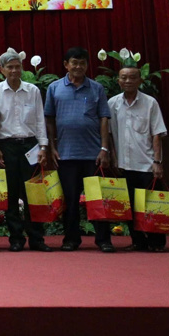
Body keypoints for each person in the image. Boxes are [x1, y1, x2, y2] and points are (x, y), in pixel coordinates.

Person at [44, 47, 113, 252]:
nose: (78, 66)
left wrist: (104, 149)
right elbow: (49, 119)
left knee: (97, 200)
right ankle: (71, 239)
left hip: (93, 155)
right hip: (65, 154)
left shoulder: (96, 88)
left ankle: (104, 240)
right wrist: (52, 147)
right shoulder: (55, 88)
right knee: (70, 201)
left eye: (82, 63)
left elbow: (103, 118)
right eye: (74, 62)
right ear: (66, 65)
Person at [0, 49, 51, 252]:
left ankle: (37, 238)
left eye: (17, 67)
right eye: (10, 67)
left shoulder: (32, 90)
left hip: (30, 145)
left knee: (33, 193)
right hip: (6, 146)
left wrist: (43, 146)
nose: (14, 70)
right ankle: (16, 238)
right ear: (2, 69)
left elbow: (40, 120)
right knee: (11, 194)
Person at [108, 61, 168, 252]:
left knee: (151, 206)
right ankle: (138, 241)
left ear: (140, 80)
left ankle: (157, 242)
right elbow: (110, 135)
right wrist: (114, 158)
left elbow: (157, 133)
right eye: (124, 78)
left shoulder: (150, 103)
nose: (128, 81)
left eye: (133, 77)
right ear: (118, 81)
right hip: (124, 164)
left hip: (147, 164)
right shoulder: (113, 104)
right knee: (130, 207)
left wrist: (157, 162)